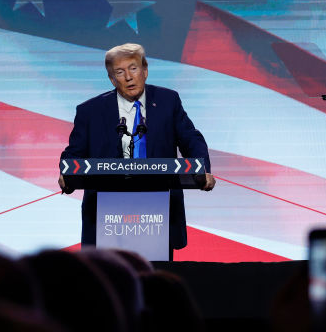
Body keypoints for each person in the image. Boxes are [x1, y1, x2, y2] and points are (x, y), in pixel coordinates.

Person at [59, 43, 214, 255]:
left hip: (158, 209)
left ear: (145, 70)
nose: (128, 77)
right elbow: (73, 153)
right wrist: (66, 174)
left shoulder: (168, 101)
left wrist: (202, 169)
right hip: (107, 213)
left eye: (133, 68)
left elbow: (191, 139)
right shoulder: (90, 111)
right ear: (112, 79)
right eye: (119, 72)